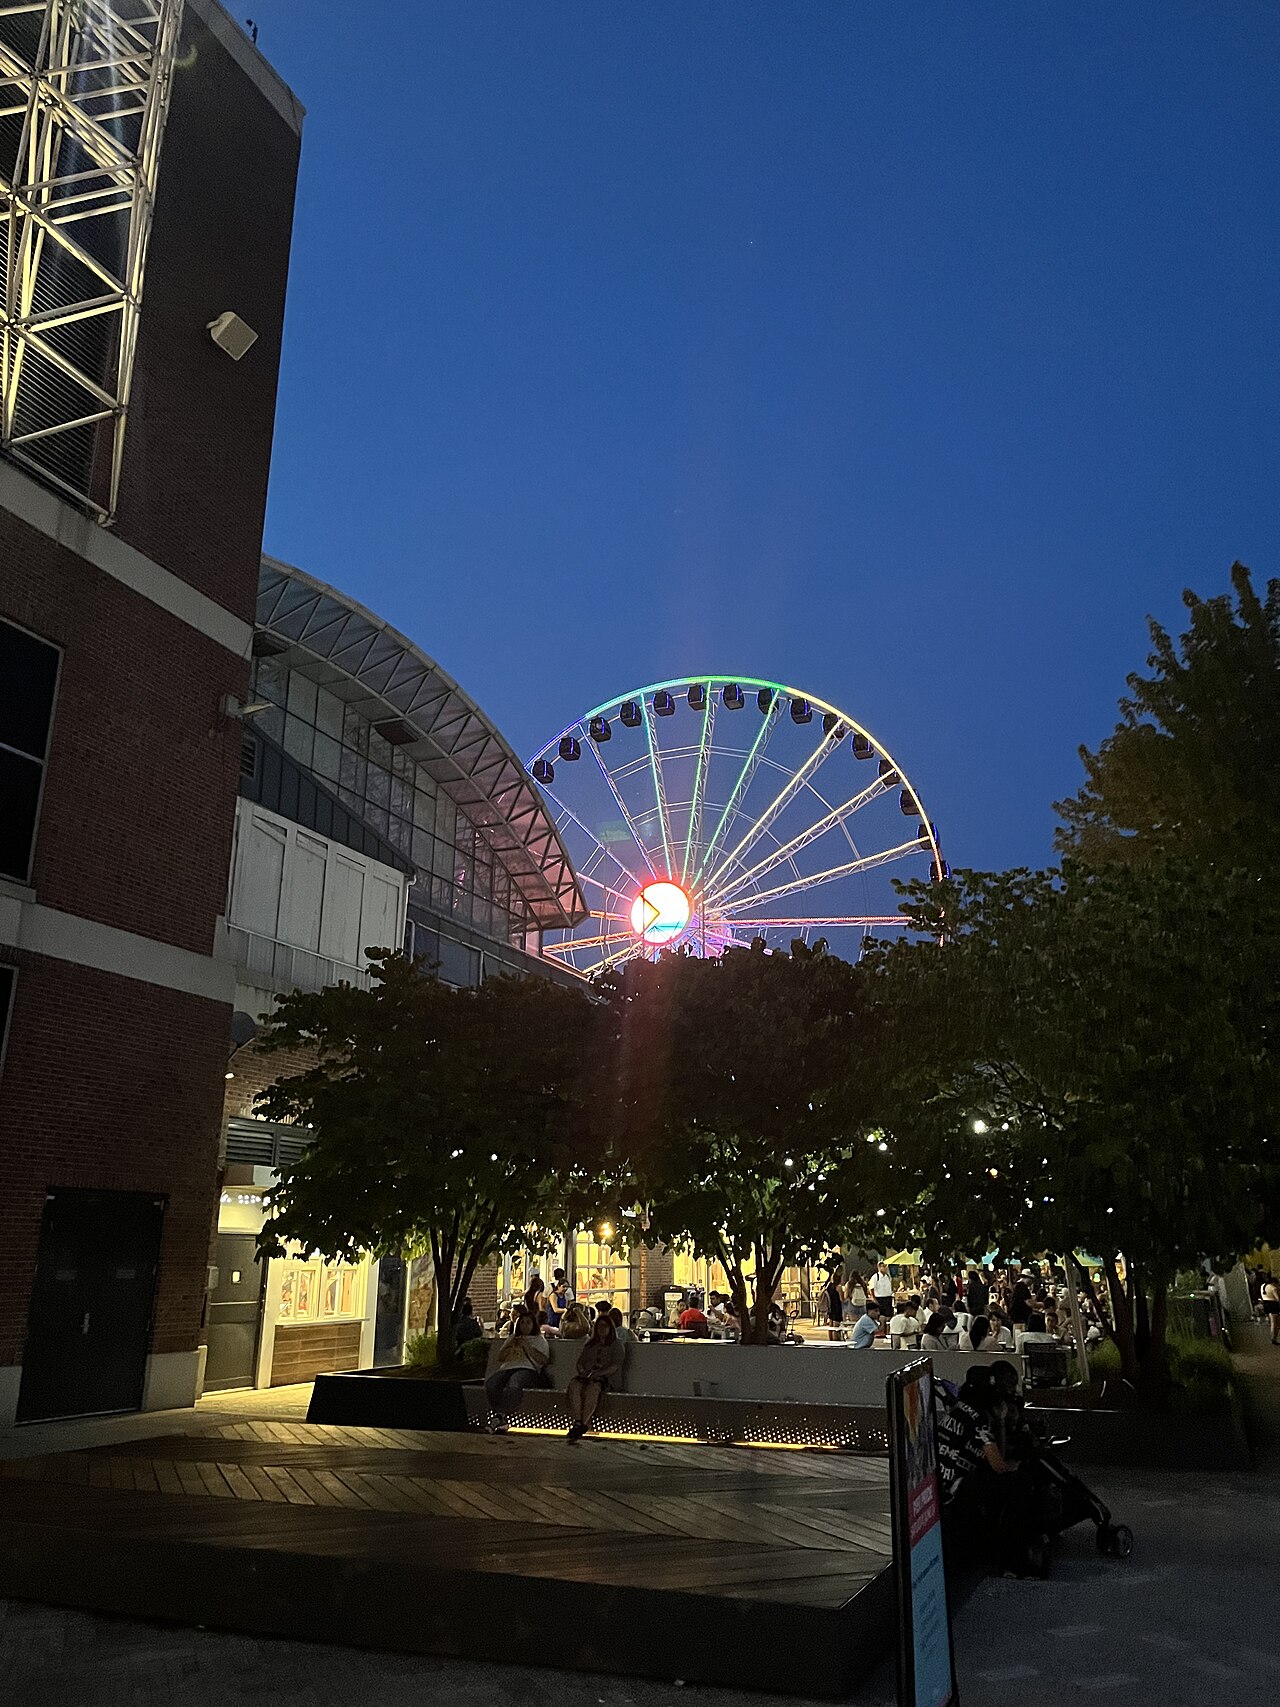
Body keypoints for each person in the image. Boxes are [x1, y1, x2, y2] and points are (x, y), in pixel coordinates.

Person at [483, 1307, 549, 1432]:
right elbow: (501, 1357)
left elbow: (543, 1360)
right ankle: (501, 1418)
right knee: (491, 1384)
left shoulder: (539, 1340)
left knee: (514, 1384)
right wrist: (510, 1346)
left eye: (528, 1323)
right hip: (508, 1367)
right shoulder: (513, 1337)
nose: (525, 1326)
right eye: (522, 1323)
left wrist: (527, 1347)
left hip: (527, 1369)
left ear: (533, 1324)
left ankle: (500, 1416)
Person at [566, 1314, 626, 1439]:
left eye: (604, 1326)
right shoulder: (590, 1345)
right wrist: (583, 1371)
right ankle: (578, 1420)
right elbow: (580, 1362)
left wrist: (599, 1373)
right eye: (599, 1326)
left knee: (593, 1388)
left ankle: (583, 1422)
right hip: (588, 1375)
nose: (601, 1329)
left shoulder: (616, 1345)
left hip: (606, 1379)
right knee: (574, 1385)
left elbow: (615, 1366)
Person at [1261, 1275, 1280, 1345]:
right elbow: (1278, 1299)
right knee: (1275, 1323)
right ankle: (1273, 1338)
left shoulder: (1263, 1286)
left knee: (1272, 1322)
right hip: (1273, 1305)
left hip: (1266, 1305)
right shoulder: (1273, 1288)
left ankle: (1273, 1338)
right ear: (1273, 1282)